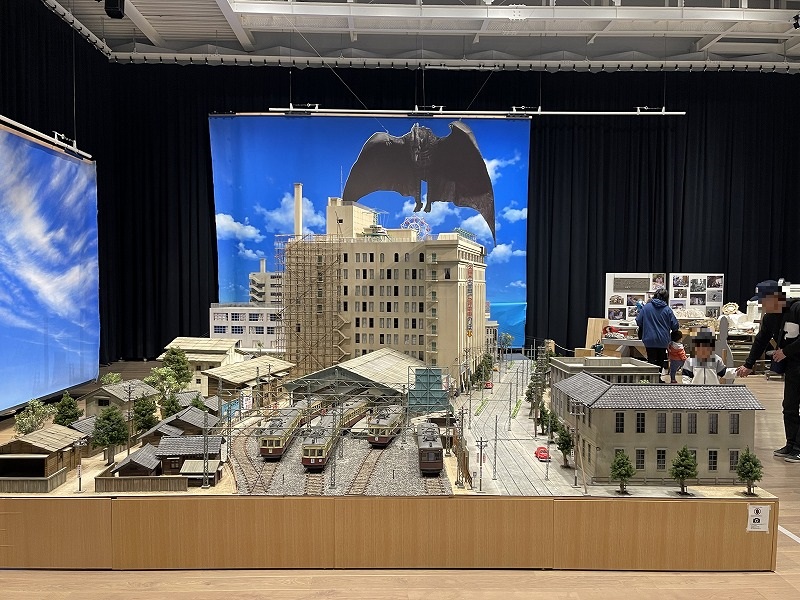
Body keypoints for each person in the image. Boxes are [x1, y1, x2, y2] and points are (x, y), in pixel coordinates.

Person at [736, 280, 800, 461]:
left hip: (796, 361)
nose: (762, 305)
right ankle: (791, 444)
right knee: (789, 405)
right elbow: (761, 340)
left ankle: (798, 447)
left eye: (764, 301)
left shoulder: (796, 309)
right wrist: (748, 364)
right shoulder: (770, 317)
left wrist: (786, 351)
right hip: (792, 367)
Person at [635, 287, 679, 374]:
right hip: (663, 340)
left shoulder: (646, 307)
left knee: (651, 359)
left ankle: (651, 378)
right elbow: (675, 326)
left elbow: (638, 321)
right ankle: (658, 378)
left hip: (649, 339)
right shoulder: (667, 309)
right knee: (660, 360)